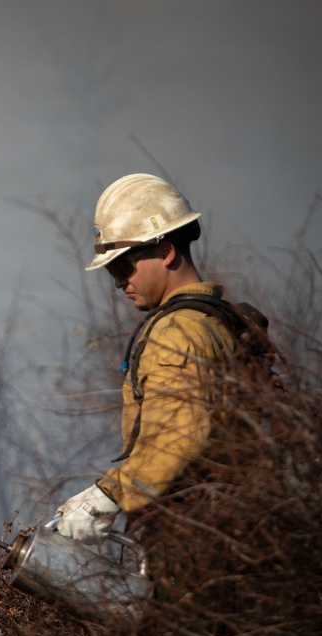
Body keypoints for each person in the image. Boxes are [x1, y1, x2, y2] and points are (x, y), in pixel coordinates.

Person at [54, 173, 243, 544]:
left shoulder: (177, 331)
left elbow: (177, 437)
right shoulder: (220, 321)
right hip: (227, 526)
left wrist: (108, 497)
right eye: (112, 271)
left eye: (122, 267)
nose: (118, 282)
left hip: (195, 535)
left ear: (165, 251)